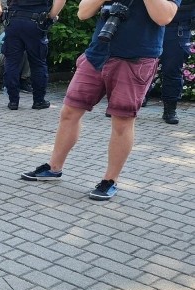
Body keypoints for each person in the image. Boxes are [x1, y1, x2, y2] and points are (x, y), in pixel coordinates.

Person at [20, 0, 180, 201]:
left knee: (122, 120)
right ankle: (54, 168)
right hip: (97, 54)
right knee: (69, 111)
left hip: (136, 59)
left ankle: (109, 180)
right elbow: (83, 12)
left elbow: (164, 17)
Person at [0, 0, 65, 110]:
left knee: (12, 62)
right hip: (37, 22)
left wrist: (0, 15)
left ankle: (13, 101)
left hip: (13, 21)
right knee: (38, 63)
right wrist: (51, 17)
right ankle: (39, 101)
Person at [157, 0, 194, 124]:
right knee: (136, 63)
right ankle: (128, 103)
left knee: (172, 70)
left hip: (179, 26)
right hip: (149, 24)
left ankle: (170, 109)